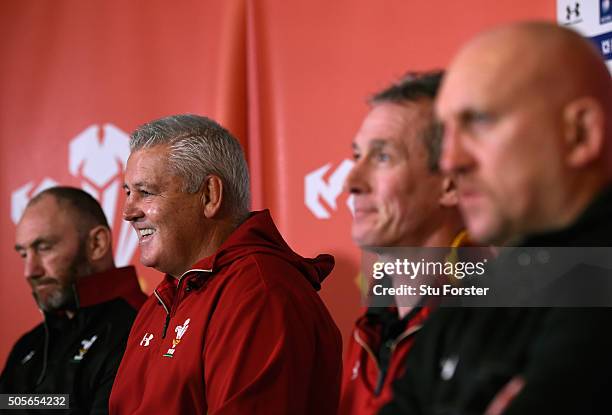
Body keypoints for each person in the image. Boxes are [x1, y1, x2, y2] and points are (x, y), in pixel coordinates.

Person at [381, 22, 612, 414]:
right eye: (445, 133)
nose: (450, 160)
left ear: (580, 133)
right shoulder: (480, 295)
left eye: (479, 121)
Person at [110, 114, 342, 415]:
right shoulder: (162, 300)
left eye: (146, 192)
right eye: (128, 193)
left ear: (209, 195)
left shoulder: (262, 294)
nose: (128, 212)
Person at [339, 71, 468, 415]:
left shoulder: (490, 323)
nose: (351, 180)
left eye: (382, 157)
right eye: (357, 156)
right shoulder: (370, 326)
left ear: (450, 185)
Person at [0, 186, 147, 414]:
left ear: (96, 244)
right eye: (24, 254)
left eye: (44, 248)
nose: (30, 271)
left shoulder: (144, 329)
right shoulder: (28, 345)